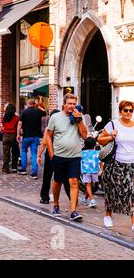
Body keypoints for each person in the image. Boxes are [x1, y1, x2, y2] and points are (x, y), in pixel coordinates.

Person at [45, 93, 87, 221]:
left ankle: (73, 210)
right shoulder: (56, 117)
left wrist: (79, 120)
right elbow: (48, 135)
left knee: (74, 181)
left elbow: (84, 135)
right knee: (58, 181)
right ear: (64, 104)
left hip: (75, 155)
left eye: (74, 104)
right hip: (59, 155)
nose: (72, 106)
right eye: (69, 103)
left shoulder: (79, 117)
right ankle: (56, 204)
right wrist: (52, 154)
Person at [97, 100, 134, 230]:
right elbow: (100, 140)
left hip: (132, 164)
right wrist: (110, 137)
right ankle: (108, 216)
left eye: (130, 110)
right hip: (116, 163)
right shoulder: (113, 124)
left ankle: (133, 222)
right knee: (113, 191)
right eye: (126, 110)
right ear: (120, 111)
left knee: (132, 193)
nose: (128, 113)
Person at [37, 109, 71, 204]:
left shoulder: (49, 128)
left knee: (47, 176)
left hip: (50, 154)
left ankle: (44, 197)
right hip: (62, 153)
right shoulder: (63, 128)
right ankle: (72, 199)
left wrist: (39, 155)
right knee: (65, 177)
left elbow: (44, 143)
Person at [17, 99, 47, 178]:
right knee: (34, 153)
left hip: (26, 135)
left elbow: (20, 124)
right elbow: (45, 112)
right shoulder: (38, 111)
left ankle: (23, 169)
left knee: (23, 151)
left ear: (27, 104)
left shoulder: (24, 112)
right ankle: (34, 173)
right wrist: (38, 106)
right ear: (34, 104)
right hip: (35, 136)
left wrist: (18, 134)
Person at [80, 137, 99, 208]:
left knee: (88, 186)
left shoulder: (82, 153)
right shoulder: (97, 153)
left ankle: (92, 200)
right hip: (95, 171)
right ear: (94, 144)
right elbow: (100, 162)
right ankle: (85, 199)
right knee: (90, 186)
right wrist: (101, 170)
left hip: (86, 171)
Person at [1, 103, 19, 174]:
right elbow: (18, 126)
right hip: (13, 135)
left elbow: (3, 125)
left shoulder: (5, 117)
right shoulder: (16, 118)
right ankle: (14, 167)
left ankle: (6, 168)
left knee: (6, 153)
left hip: (5, 135)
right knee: (15, 152)